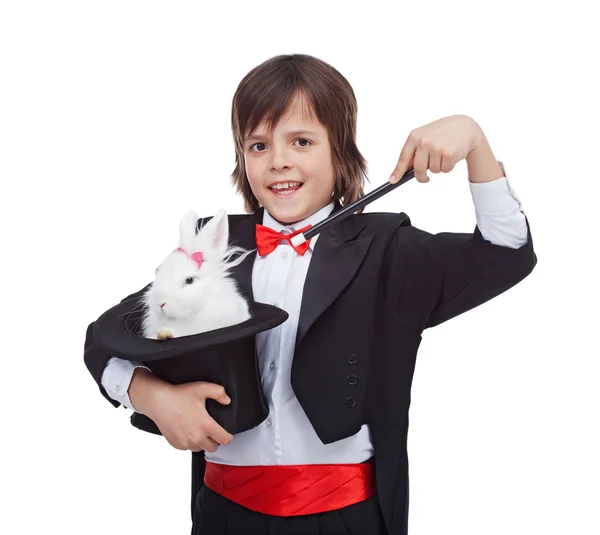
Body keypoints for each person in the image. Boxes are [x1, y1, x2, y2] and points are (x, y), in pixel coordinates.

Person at [83, 53, 537, 535]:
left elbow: (506, 254)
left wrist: (474, 141)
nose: (278, 159)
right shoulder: (211, 250)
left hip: (347, 520)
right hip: (223, 516)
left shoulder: (386, 249)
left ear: (340, 153)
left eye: (301, 141)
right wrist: (150, 396)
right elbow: (104, 342)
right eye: (258, 145)